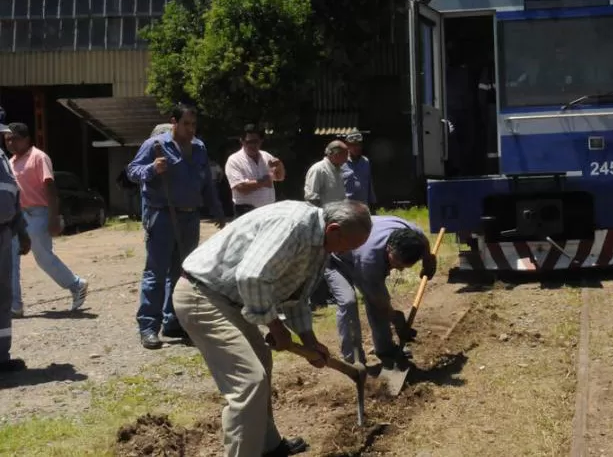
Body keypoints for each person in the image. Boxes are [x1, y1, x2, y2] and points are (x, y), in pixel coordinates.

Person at [172, 199, 372, 457]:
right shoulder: (293, 224)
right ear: (333, 229)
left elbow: (296, 295)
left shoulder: (321, 245)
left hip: (233, 299)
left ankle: (267, 445)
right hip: (203, 295)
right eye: (348, 245)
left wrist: (308, 339)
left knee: (262, 361)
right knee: (249, 381)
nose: (344, 253)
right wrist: (275, 326)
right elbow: (251, 276)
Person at [127, 103, 226, 350]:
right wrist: (152, 169)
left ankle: (174, 322)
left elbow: (207, 183)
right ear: (174, 122)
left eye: (194, 124)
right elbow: (132, 171)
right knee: (156, 272)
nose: (191, 129)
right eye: (186, 124)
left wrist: (217, 209)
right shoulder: (156, 146)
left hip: (190, 217)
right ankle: (149, 327)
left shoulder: (200, 147)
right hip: (162, 215)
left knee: (182, 273)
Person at [318, 215, 437, 367]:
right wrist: (396, 319)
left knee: (377, 302)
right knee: (349, 301)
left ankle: (385, 350)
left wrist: (428, 260)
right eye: (398, 263)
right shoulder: (370, 258)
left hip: (357, 250)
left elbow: (424, 241)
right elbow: (378, 301)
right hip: (335, 258)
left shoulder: (413, 235)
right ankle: (354, 361)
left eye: (405, 266)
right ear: (389, 249)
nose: (400, 268)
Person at [4, 123, 88, 318]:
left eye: (13, 139)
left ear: (26, 139)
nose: (9, 143)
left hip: (38, 213)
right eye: (7, 139)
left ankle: (76, 284)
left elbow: (50, 188)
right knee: (11, 259)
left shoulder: (38, 157)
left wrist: (54, 217)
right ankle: (15, 304)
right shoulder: (11, 162)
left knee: (43, 257)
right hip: (19, 215)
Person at [0, 110, 30, 373]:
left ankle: (1, 356)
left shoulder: (3, 160)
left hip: (4, 233)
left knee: (3, 297)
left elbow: (14, 197)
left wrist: (22, 232)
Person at [224, 124, 285, 218]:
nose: (253, 145)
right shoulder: (234, 160)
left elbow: (279, 177)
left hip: (269, 211)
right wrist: (263, 182)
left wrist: (280, 166)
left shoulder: (266, 156)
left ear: (261, 141)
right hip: (246, 212)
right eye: (249, 142)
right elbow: (240, 187)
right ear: (242, 141)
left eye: (256, 141)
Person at [304, 140, 348, 207]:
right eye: (345, 155)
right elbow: (312, 199)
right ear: (336, 155)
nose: (346, 159)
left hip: (339, 215)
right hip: (325, 215)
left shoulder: (339, 170)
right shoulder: (318, 169)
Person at [340, 132, 376, 210]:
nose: (356, 147)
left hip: (363, 206)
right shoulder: (341, 161)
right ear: (347, 146)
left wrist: (373, 202)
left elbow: (369, 182)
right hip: (346, 207)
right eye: (353, 145)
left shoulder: (365, 161)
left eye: (358, 144)